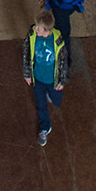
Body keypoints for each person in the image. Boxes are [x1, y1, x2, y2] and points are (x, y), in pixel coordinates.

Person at [23, 9, 69, 148]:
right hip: (38, 78)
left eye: (39, 28)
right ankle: (45, 127)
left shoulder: (57, 40)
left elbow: (63, 61)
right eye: (36, 26)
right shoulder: (32, 35)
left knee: (57, 101)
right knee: (40, 104)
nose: (36, 29)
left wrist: (61, 80)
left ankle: (52, 95)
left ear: (47, 30)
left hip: (52, 80)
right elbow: (26, 52)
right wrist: (27, 73)